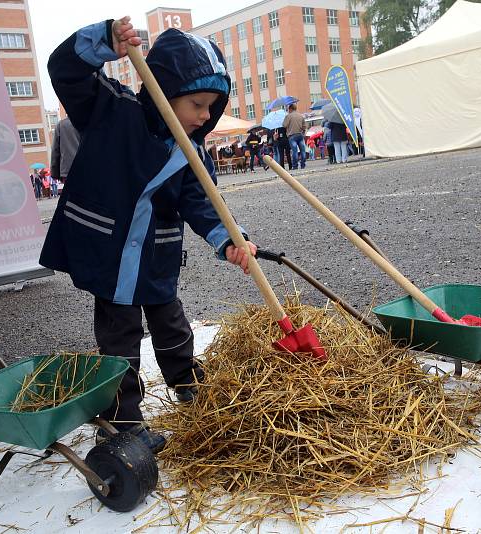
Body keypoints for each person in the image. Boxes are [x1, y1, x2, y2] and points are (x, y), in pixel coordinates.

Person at [41, 16, 257, 452]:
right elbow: (64, 69)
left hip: (155, 256)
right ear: (167, 90)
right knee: (119, 337)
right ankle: (123, 416)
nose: (205, 115)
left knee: (172, 323)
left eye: (211, 106)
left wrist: (231, 239)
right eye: (196, 103)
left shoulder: (191, 152)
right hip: (110, 253)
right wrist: (104, 42)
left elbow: (202, 202)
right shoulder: (112, 110)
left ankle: (186, 383)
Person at [51, 117, 81, 186]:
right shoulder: (88, 123)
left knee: (72, 195)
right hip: (86, 169)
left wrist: (55, 173)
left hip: (67, 170)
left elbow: (55, 150)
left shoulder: (61, 125)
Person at [282, 103, 306, 170]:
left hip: (292, 135)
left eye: (288, 109)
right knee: (303, 151)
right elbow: (304, 127)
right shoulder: (300, 116)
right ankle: (303, 165)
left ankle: (295, 166)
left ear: (290, 109)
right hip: (300, 135)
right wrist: (303, 133)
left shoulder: (288, 116)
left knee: (294, 151)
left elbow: (284, 125)